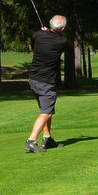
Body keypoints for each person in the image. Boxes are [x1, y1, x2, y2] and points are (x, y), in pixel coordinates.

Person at [25, 14, 68, 153]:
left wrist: (43, 33)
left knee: (47, 110)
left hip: (33, 79)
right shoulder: (62, 42)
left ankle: (47, 138)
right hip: (46, 81)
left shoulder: (38, 34)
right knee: (46, 112)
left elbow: (31, 48)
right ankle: (31, 141)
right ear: (62, 29)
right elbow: (58, 41)